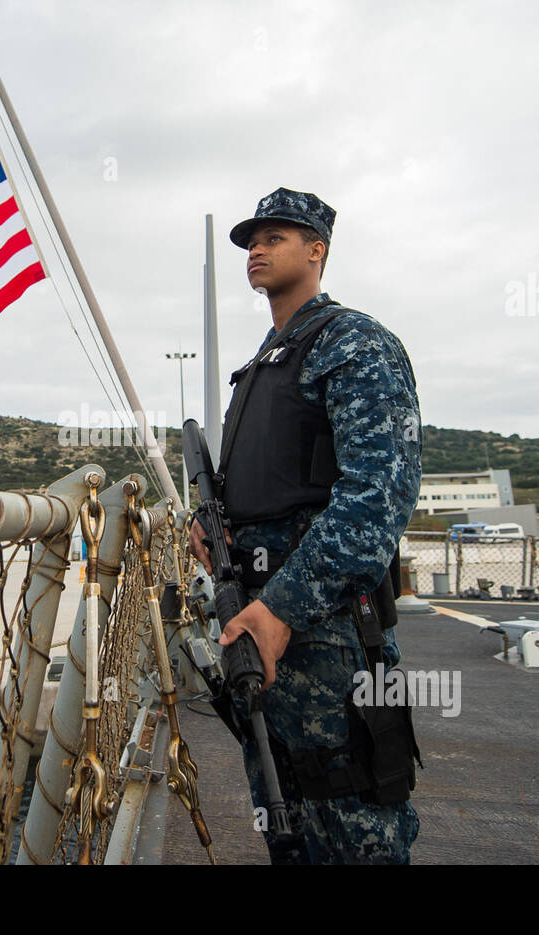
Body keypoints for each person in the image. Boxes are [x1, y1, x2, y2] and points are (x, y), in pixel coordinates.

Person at [188, 187, 423, 864]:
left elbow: (377, 496)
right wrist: (213, 531)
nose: (256, 249)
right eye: (251, 241)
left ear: (316, 250)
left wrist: (281, 609)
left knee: (350, 819)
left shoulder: (354, 342)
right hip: (259, 633)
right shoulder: (264, 363)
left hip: (327, 643)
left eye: (275, 237)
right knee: (286, 818)